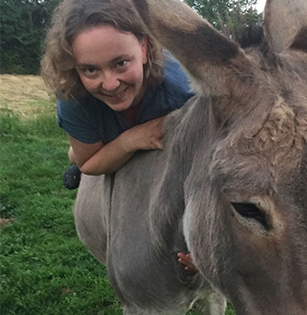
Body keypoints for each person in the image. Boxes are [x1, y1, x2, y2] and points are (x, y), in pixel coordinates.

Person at [41, 0, 196, 272]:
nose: (110, 84)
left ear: (145, 48)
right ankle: (78, 150)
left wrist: (206, 245)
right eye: (90, 69)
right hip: (117, 134)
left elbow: (211, 172)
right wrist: (131, 139)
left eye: (121, 63)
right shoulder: (73, 97)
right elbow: (90, 164)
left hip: (171, 145)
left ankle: (81, 148)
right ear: (73, 67)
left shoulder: (185, 90)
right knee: (81, 157)